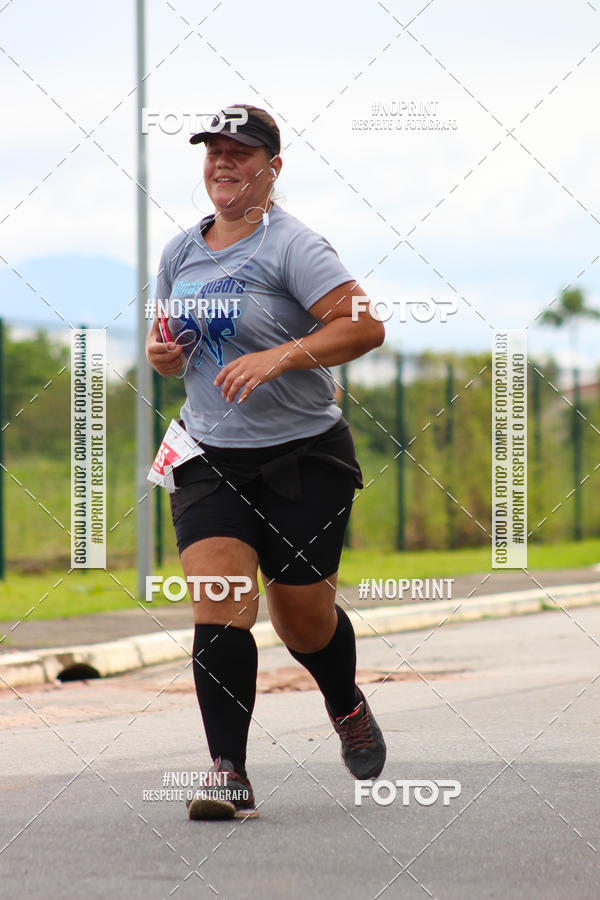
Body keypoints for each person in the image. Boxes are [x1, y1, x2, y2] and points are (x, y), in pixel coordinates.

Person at [146, 104, 386, 821]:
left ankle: (343, 701)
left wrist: (281, 355)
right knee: (220, 602)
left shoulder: (294, 246)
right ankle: (229, 772)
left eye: (241, 153)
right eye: (214, 152)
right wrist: (165, 355)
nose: (224, 165)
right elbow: (169, 348)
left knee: (304, 622)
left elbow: (364, 325)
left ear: (272, 169)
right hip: (208, 456)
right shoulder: (180, 252)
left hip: (304, 456)